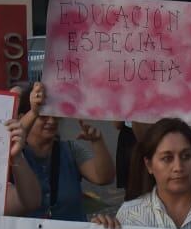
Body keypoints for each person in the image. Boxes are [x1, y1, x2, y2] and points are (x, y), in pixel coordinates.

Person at [14, 82, 115, 220]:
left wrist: (97, 141)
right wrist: (33, 111)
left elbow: (103, 177)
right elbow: (8, 139)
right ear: (22, 117)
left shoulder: (71, 149)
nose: (51, 121)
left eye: (55, 115)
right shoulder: (14, 155)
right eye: (43, 116)